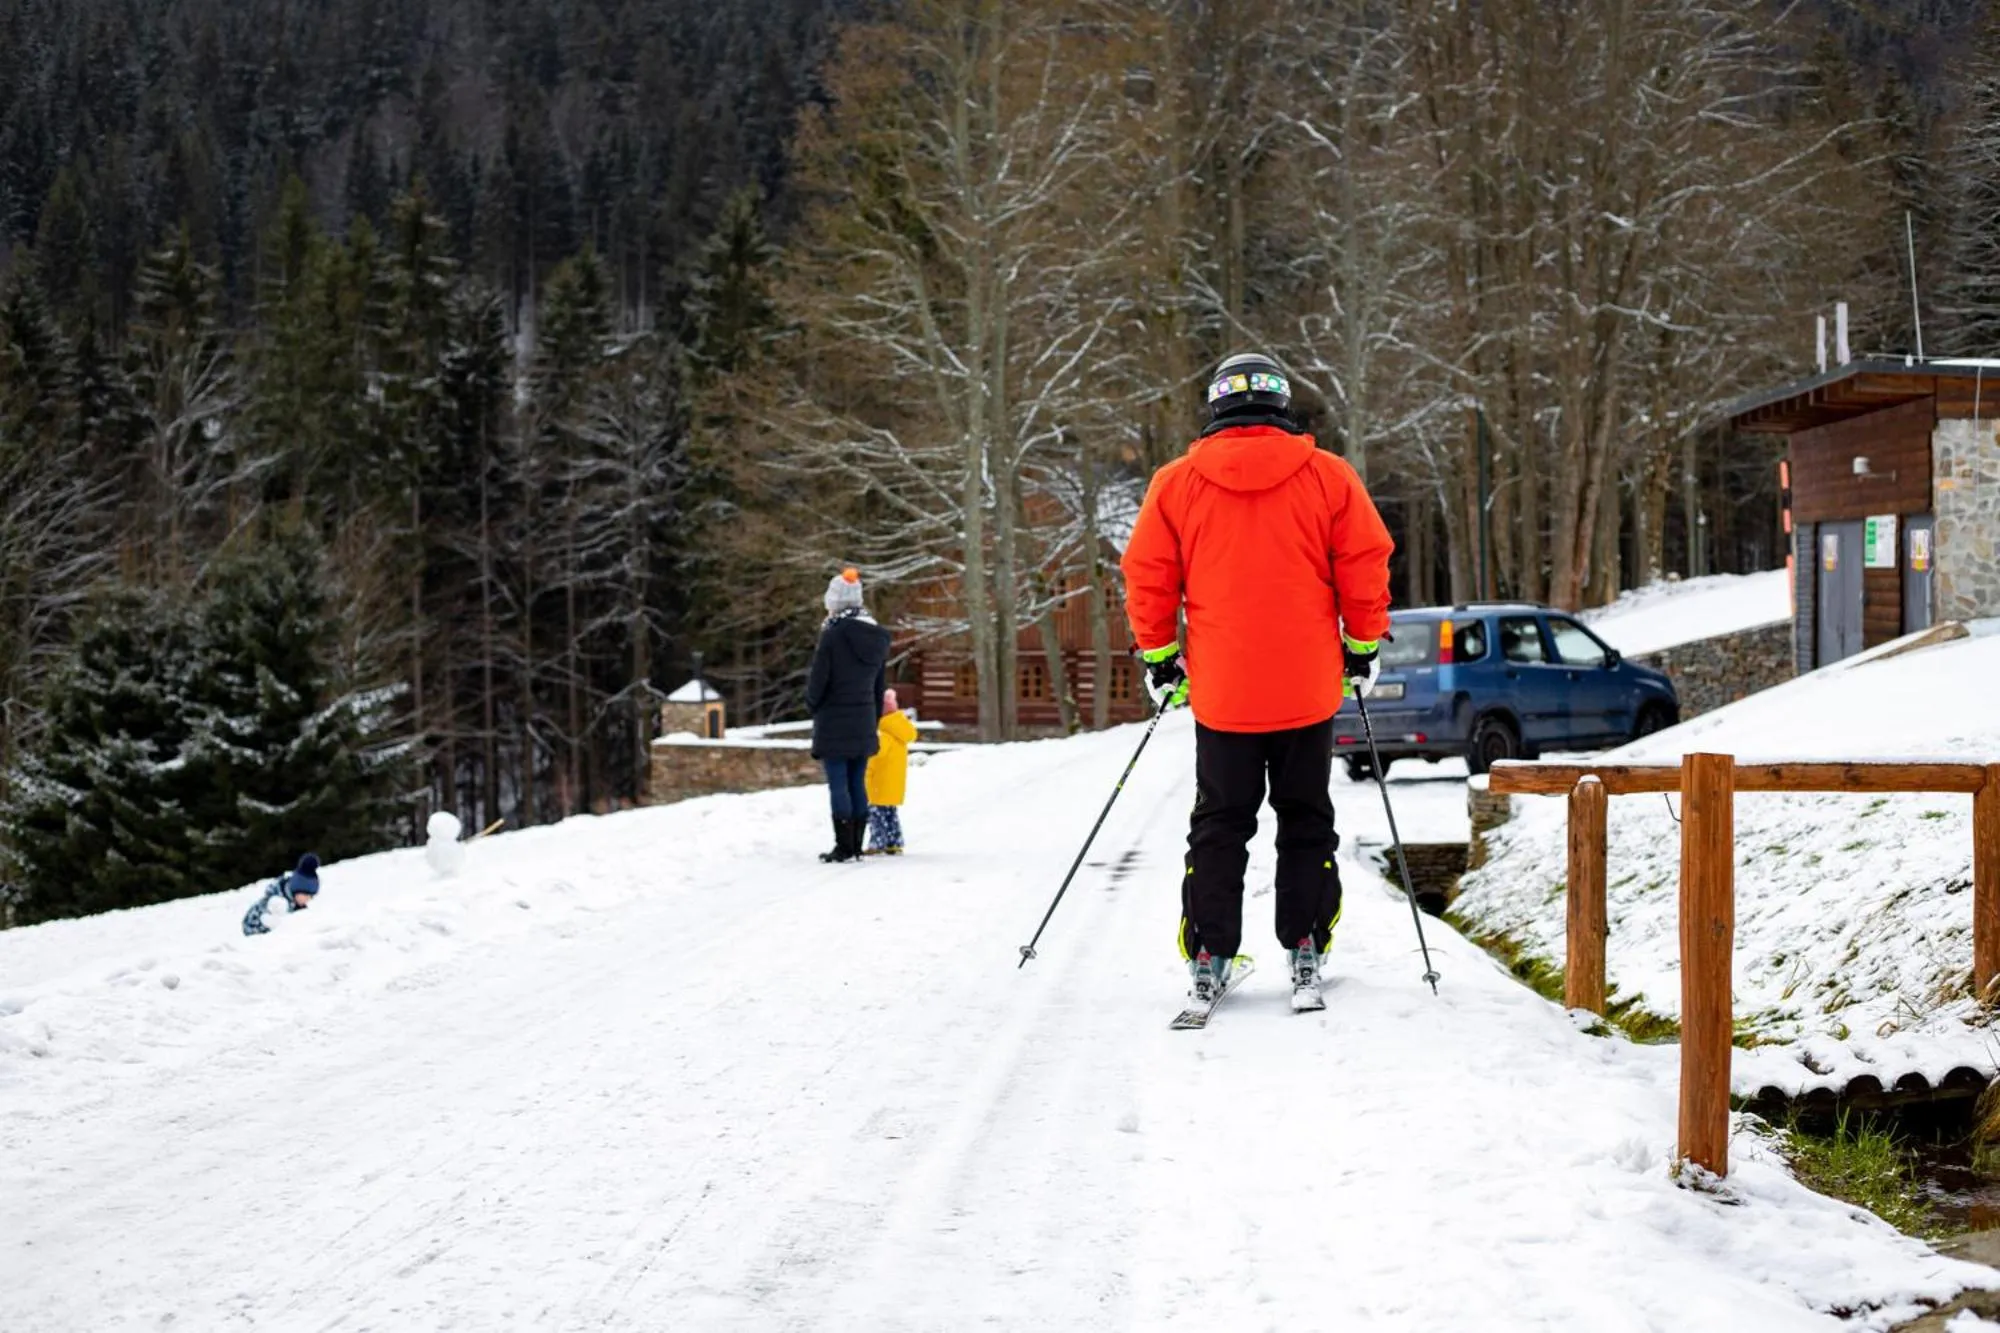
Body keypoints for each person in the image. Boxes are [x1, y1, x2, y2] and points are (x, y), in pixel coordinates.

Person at [1120, 352, 1394, 1006]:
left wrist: (1161, 658)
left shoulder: (1176, 483)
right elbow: (1364, 562)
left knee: (1220, 822)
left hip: (1224, 695)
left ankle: (1211, 952)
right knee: (1305, 817)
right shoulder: (1329, 477)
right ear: (1282, 404)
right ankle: (1305, 944)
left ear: (1216, 407)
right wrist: (1360, 647)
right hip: (1307, 689)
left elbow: (1148, 576)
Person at [807, 567, 890, 863]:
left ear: (835, 602)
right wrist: (874, 715)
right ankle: (855, 844)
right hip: (865, 717)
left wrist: (813, 704)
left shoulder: (832, 635)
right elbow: (880, 684)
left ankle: (843, 845)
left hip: (834, 718)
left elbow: (818, 681)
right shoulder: (878, 638)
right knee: (858, 780)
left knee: (838, 781)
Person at [865, 689, 918, 855]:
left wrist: (864, 768)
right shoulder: (899, 730)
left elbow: (875, 756)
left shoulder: (883, 733)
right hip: (892, 782)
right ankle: (894, 842)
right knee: (890, 814)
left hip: (878, 783)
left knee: (876, 816)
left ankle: (877, 843)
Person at [242, 853, 321, 936]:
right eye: (306, 895)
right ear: (296, 891)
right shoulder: (276, 904)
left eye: (311, 896)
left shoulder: (296, 905)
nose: (308, 899)